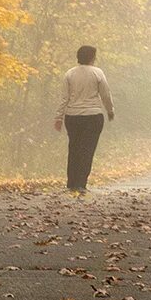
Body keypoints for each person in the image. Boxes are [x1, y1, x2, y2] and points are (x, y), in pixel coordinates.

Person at [54, 45, 114, 194]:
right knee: (87, 150)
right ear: (92, 57)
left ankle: (71, 182)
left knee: (74, 148)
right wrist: (110, 110)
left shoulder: (70, 74)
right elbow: (105, 94)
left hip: (72, 117)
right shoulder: (97, 73)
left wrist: (59, 117)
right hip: (93, 117)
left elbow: (64, 98)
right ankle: (81, 183)